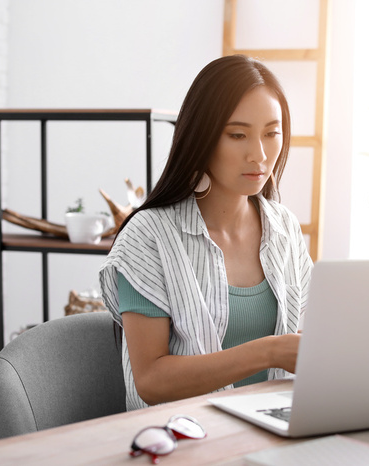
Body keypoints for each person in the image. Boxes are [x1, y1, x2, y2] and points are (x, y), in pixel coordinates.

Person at [99, 55, 313, 411]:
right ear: (202, 137)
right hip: (182, 439)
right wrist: (270, 351)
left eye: (271, 133)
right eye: (238, 135)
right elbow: (151, 381)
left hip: (273, 428)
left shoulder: (285, 227)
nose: (259, 154)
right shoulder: (148, 236)